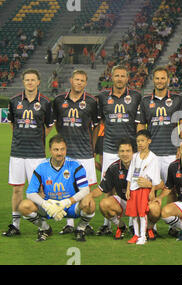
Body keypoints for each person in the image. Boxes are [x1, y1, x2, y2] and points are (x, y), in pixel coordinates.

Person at [3, 69, 53, 237]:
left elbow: (49, 126)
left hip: (37, 154)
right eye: (27, 80)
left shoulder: (45, 102)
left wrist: (37, 138)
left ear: (38, 82)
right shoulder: (14, 100)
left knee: (39, 191)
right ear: (23, 82)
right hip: (17, 153)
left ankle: (42, 226)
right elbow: (12, 123)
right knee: (17, 190)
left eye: (33, 79)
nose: (30, 82)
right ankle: (15, 225)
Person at [17, 135, 96, 242]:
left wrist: (67, 202)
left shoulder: (75, 165)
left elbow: (85, 190)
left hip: (70, 206)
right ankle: (45, 228)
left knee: (90, 203)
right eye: (56, 149)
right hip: (49, 207)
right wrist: (46, 205)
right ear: (50, 150)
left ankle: (80, 228)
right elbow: (30, 193)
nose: (59, 153)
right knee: (23, 206)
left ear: (66, 149)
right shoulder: (41, 167)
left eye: (62, 149)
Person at [52, 69, 99, 235]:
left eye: (82, 80)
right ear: (71, 81)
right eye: (76, 79)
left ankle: (85, 223)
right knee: (67, 189)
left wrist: (92, 146)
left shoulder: (92, 102)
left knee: (87, 190)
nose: (79, 83)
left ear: (85, 83)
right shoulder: (58, 100)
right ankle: (69, 223)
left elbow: (96, 126)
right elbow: (57, 124)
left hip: (85, 153)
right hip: (66, 154)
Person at [97, 64, 142, 234]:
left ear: (127, 78)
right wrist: (99, 151)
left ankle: (132, 222)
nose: (120, 79)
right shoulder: (102, 97)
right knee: (108, 187)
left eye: (123, 76)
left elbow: (139, 123)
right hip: (109, 148)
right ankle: (108, 224)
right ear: (111, 77)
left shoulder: (136, 96)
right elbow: (100, 124)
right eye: (117, 76)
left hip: (131, 151)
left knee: (133, 186)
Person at [137, 66, 182, 184]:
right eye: (157, 78)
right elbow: (140, 126)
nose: (160, 81)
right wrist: (141, 146)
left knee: (172, 190)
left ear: (168, 80)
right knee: (149, 188)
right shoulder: (145, 100)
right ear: (153, 80)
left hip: (171, 152)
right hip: (151, 152)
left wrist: (181, 145)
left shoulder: (177, 99)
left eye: (163, 78)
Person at [86, 137, 135, 240]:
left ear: (133, 152)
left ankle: (149, 229)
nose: (125, 154)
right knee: (104, 204)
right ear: (118, 153)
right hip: (124, 202)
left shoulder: (142, 165)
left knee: (154, 208)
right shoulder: (113, 168)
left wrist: (149, 185)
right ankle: (121, 226)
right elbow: (101, 189)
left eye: (128, 151)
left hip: (139, 202)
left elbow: (159, 184)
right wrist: (89, 196)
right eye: (122, 151)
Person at [125, 130, 164, 245]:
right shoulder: (135, 156)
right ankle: (136, 234)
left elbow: (156, 178)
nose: (140, 143)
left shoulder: (153, 158)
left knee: (142, 214)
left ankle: (143, 236)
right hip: (133, 189)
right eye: (138, 141)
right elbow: (131, 173)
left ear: (149, 141)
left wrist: (152, 190)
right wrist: (128, 188)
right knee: (134, 214)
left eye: (142, 141)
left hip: (144, 190)